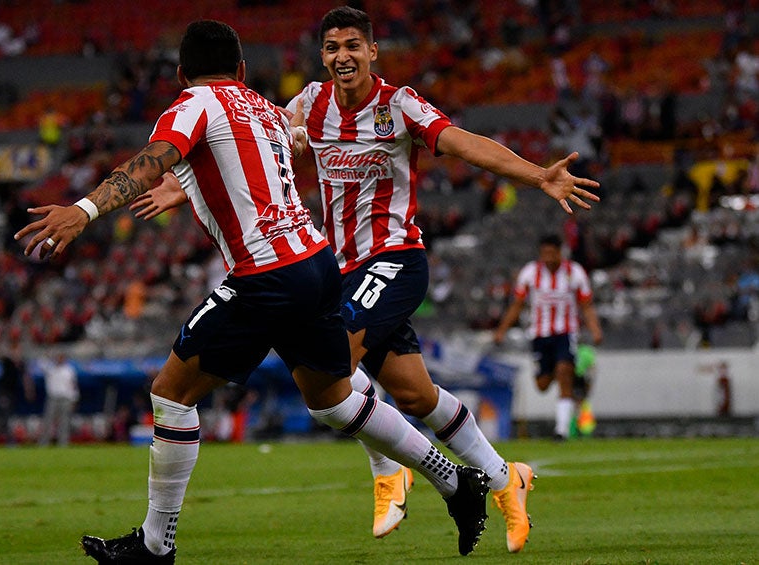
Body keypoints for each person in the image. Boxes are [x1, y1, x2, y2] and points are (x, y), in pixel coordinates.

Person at [15, 20, 491, 561]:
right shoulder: (265, 109)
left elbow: (150, 163)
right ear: (241, 70)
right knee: (332, 399)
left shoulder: (192, 104)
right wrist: (185, 186)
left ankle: (154, 546)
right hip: (316, 263)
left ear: (180, 75)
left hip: (267, 273)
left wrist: (84, 210)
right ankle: (456, 482)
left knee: (171, 394)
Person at [131, 6, 600, 553]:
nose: (342, 57)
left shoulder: (399, 106)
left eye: (353, 45)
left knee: (335, 366)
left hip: (396, 259)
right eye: (332, 48)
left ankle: (389, 471)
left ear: (373, 52)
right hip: (341, 267)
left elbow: (464, 142)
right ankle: (503, 477)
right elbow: (248, 150)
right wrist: (184, 185)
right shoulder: (307, 105)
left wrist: (537, 173)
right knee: (414, 394)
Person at [494, 234, 603, 441]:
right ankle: (562, 369)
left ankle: (561, 430)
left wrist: (595, 329)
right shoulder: (529, 273)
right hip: (539, 335)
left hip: (565, 332)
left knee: (564, 374)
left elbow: (586, 305)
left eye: (553, 253)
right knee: (542, 384)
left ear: (560, 252)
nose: (549, 258)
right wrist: (501, 330)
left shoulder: (575, 273)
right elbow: (517, 304)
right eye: (545, 253)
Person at [0, 338, 35, 446]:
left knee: (7, 415)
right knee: (3, 415)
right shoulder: (7, 361)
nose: (17, 352)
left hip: (12, 392)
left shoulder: (21, 363)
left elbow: (26, 377)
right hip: (3, 391)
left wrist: (29, 390)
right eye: (16, 350)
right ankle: (0, 438)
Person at [39, 351, 80, 446]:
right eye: (58, 357)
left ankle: (63, 443)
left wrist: (74, 398)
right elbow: (40, 364)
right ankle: (44, 443)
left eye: (61, 358)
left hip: (65, 398)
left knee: (64, 422)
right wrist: (47, 355)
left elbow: (73, 385)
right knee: (48, 421)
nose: (59, 359)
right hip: (53, 397)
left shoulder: (69, 370)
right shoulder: (51, 368)